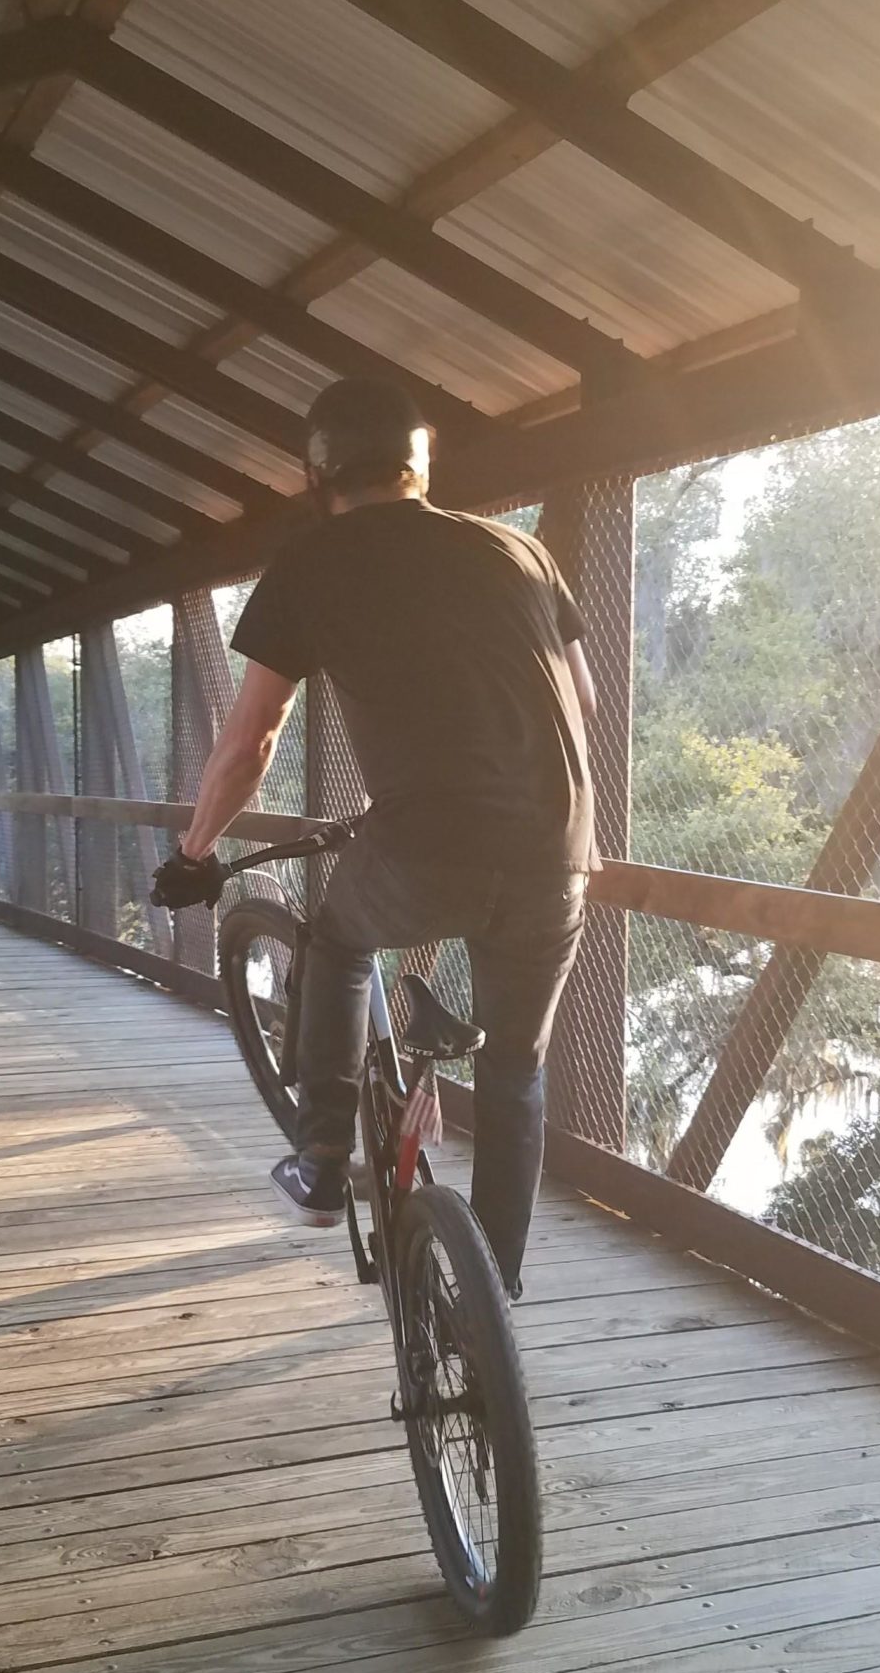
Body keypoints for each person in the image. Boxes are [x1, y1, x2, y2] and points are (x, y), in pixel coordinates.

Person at [153, 374, 596, 1300]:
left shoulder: (314, 562)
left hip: (427, 845)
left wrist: (196, 855)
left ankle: (321, 1161)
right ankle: (493, 1299)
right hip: (560, 851)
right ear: (419, 464)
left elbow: (250, 744)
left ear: (319, 477)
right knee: (515, 1070)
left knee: (344, 941)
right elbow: (583, 701)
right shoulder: (521, 549)